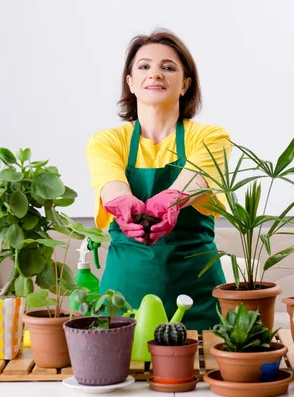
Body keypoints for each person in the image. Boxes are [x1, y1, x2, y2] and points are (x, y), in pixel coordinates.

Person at [85, 29, 231, 331]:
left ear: (185, 84)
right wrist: (123, 203)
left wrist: (170, 201)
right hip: (123, 295)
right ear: (131, 83)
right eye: (144, 66)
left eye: (168, 67)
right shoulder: (107, 141)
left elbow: (195, 180)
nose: (156, 74)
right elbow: (112, 185)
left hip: (196, 295)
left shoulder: (211, 137)